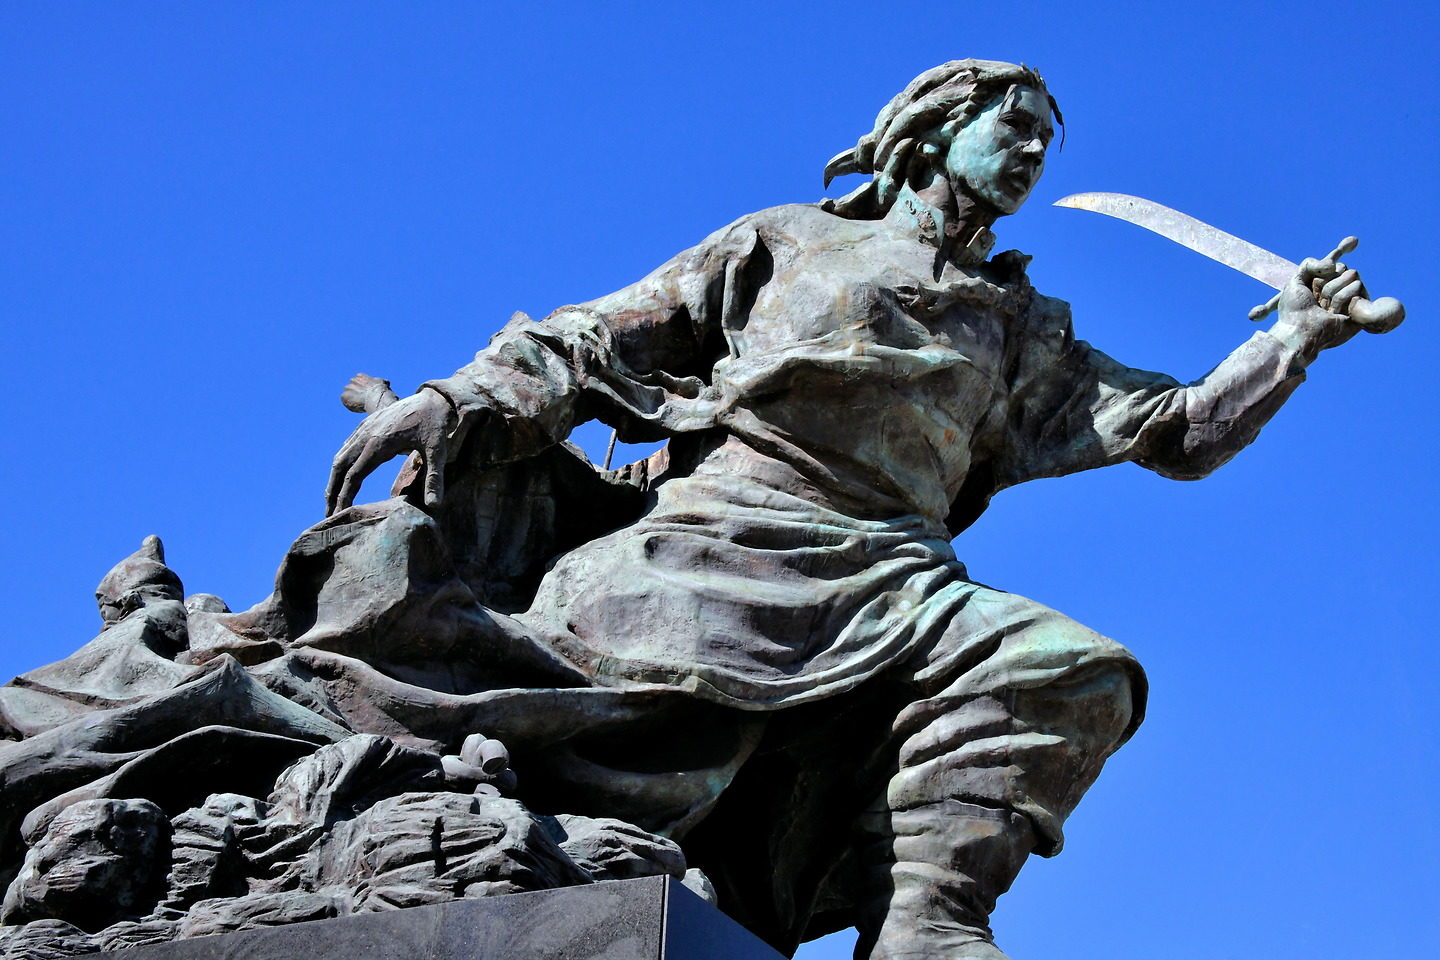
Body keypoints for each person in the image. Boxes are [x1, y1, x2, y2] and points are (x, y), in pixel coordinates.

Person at [315, 59, 1386, 959]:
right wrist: (459, 399)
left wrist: (1288, 341)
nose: (1031, 155)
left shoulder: (1021, 327)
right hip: (718, 544)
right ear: (931, 133)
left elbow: (1182, 434)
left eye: (1044, 145)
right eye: (1010, 130)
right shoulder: (788, 242)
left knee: (1071, 669)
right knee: (629, 756)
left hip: (900, 571)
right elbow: (601, 336)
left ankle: (931, 919)